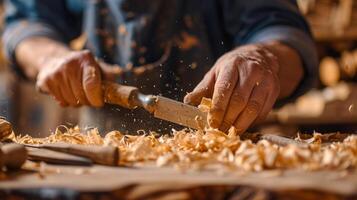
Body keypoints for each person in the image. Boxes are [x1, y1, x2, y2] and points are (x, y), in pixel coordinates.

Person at [2, 0, 317, 134]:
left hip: (223, 162)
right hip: (102, 154)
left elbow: (282, 30)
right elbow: (28, 22)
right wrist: (50, 58)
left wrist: (262, 56)